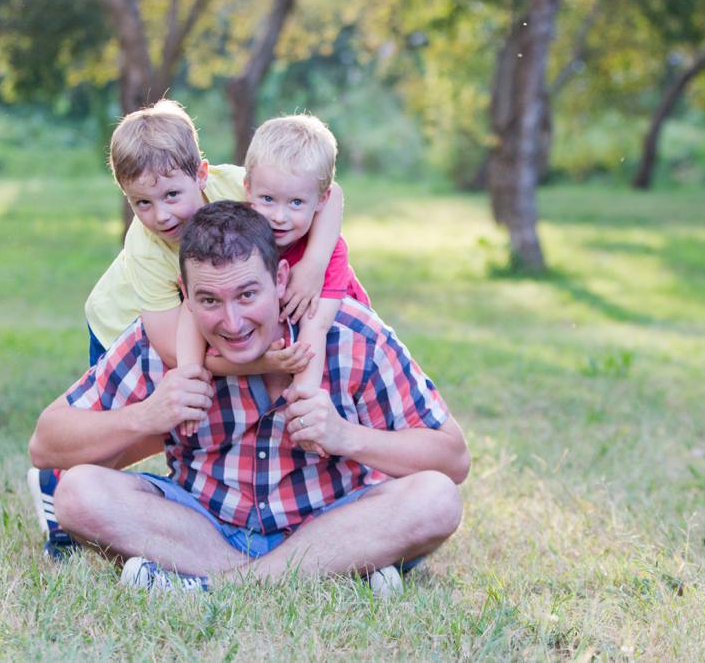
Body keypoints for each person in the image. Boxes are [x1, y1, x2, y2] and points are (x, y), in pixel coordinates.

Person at [28, 201, 469, 594]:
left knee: (436, 497)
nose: (232, 322)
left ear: (280, 279)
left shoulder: (352, 334)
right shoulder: (161, 345)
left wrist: (347, 435)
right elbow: (46, 444)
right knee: (78, 493)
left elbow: (452, 459)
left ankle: (212, 586)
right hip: (202, 527)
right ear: (185, 295)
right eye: (209, 300)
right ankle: (331, 574)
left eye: (247, 294)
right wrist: (147, 414)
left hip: (332, 521)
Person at [28, 101, 344, 558]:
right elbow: (175, 353)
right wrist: (265, 363)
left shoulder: (240, 186)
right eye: (142, 203)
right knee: (134, 427)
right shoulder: (146, 250)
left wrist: (314, 264)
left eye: (172, 195)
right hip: (128, 322)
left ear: (201, 173)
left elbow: (329, 194)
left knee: (192, 413)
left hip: (207, 310)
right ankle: (59, 497)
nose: (161, 216)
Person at [176, 115, 369, 432]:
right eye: (267, 199)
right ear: (247, 188)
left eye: (295, 203)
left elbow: (315, 329)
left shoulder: (329, 252)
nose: (279, 217)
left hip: (333, 342)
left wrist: (305, 401)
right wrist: (189, 378)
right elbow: (190, 307)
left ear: (320, 200)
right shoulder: (245, 235)